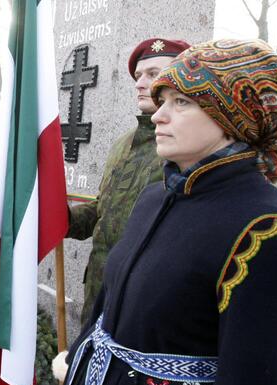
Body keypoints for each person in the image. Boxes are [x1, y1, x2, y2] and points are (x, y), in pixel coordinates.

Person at [45, 39, 277, 385]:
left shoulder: (266, 230)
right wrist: (79, 358)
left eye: (182, 101)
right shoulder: (155, 197)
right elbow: (109, 305)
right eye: (161, 100)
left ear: (234, 118)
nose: (160, 114)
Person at [66, 38, 190, 325]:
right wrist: (61, 216)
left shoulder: (187, 149)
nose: (140, 83)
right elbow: (103, 211)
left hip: (143, 304)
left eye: (153, 74)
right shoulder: (123, 144)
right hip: (98, 292)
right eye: (138, 76)